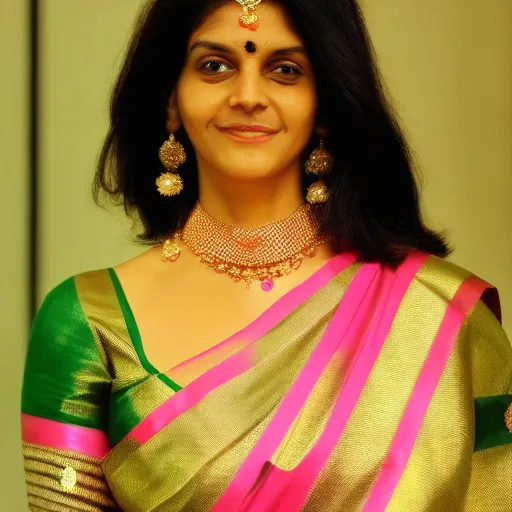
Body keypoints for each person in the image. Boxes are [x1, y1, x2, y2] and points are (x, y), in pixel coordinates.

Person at [20, 0, 512, 510]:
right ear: (171, 100)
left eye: (285, 70)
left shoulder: (442, 314)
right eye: (215, 66)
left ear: (324, 107)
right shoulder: (87, 322)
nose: (248, 96)